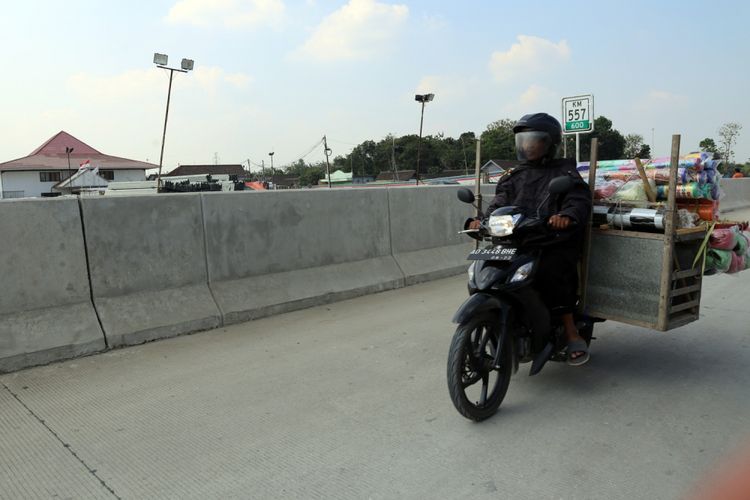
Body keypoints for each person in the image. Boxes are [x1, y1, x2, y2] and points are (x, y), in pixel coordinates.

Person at [468, 113, 592, 365]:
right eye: (524, 140)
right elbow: (499, 203)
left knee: (553, 271)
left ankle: (570, 332)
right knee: (485, 268)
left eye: (534, 140)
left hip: (551, 240)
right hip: (514, 240)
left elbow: (578, 201)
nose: (528, 145)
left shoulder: (565, 173)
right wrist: (481, 222)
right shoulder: (513, 175)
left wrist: (566, 215)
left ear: (549, 143)